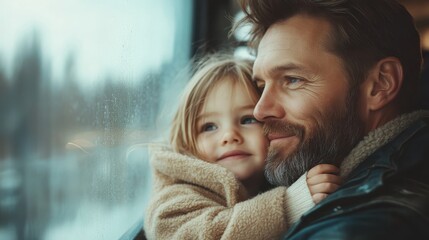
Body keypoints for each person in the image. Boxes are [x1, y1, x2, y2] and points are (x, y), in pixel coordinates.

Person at [234, 0, 429, 239]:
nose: (260, 111)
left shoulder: (358, 228)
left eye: (292, 80)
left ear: (380, 85)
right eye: (261, 85)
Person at [144, 54, 342, 240]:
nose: (230, 136)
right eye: (209, 127)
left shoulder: (280, 177)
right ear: (186, 142)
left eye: (248, 120)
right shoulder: (175, 198)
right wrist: (289, 205)